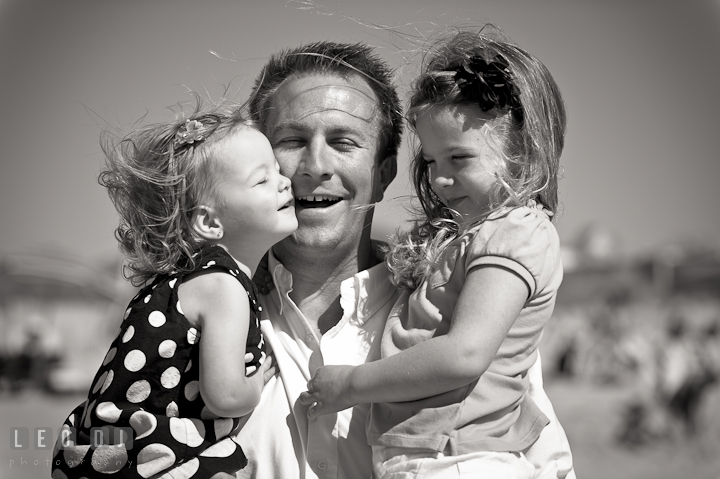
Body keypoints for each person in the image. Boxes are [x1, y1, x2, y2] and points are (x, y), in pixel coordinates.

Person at [235, 38, 575, 479]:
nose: (315, 165)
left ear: (383, 173)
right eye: (292, 140)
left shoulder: (460, 306)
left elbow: (547, 465)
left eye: (343, 142)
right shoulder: (191, 312)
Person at [51, 108, 296, 479]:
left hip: (105, 444)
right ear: (210, 222)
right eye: (263, 180)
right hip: (151, 455)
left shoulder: (180, 279)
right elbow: (226, 396)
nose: (285, 182)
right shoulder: (223, 285)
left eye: (278, 170)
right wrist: (257, 383)